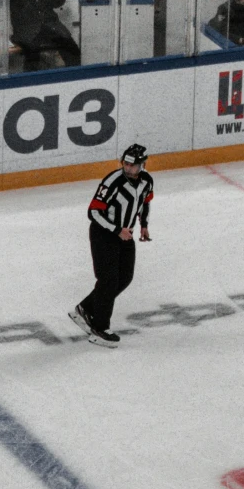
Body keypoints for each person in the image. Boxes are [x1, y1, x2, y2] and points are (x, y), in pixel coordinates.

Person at [70, 139, 153, 349]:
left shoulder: (147, 181)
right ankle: (100, 329)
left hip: (126, 235)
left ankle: (85, 308)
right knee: (108, 280)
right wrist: (116, 230)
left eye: (132, 165)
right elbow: (93, 211)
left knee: (124, 277)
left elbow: (145, 202)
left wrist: (143, 225)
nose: (127, 167)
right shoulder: (113, 181)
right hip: (103, 234)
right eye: (125, 163)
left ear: (142, 165)